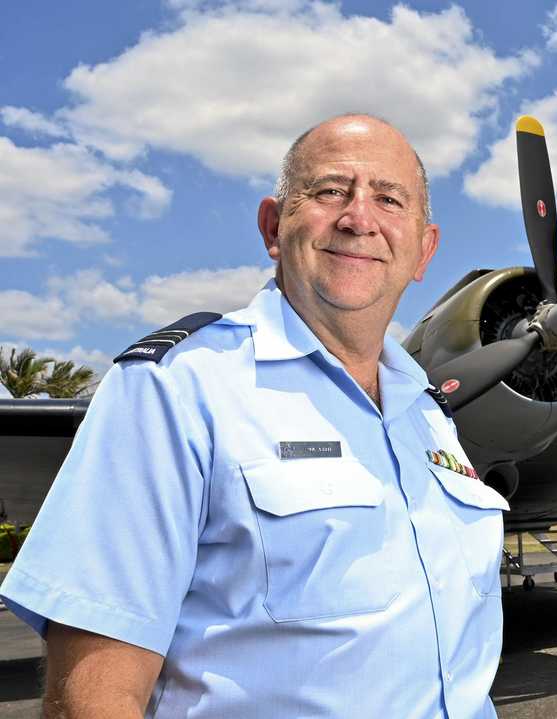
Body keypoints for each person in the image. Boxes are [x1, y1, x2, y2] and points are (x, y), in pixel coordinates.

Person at [0, 115, 509, 718]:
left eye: (389, 199)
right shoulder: (178, 387)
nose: (359, 218)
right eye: (329, 191)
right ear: (273, 227)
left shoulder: (428, 411)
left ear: (424, 250)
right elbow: (94, 694)